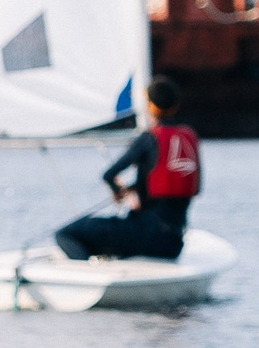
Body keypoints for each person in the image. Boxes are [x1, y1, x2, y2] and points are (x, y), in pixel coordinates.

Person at [53, 77, 201, 261]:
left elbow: (109, 175)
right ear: (176, 105)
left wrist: (119, 191)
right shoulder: (189, 137)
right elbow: (170, 184)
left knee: (66, 234)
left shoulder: (148, 139)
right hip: (173, 243)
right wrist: (134, 189)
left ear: (149, 106)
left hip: (143, 235)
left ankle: (90, 276)